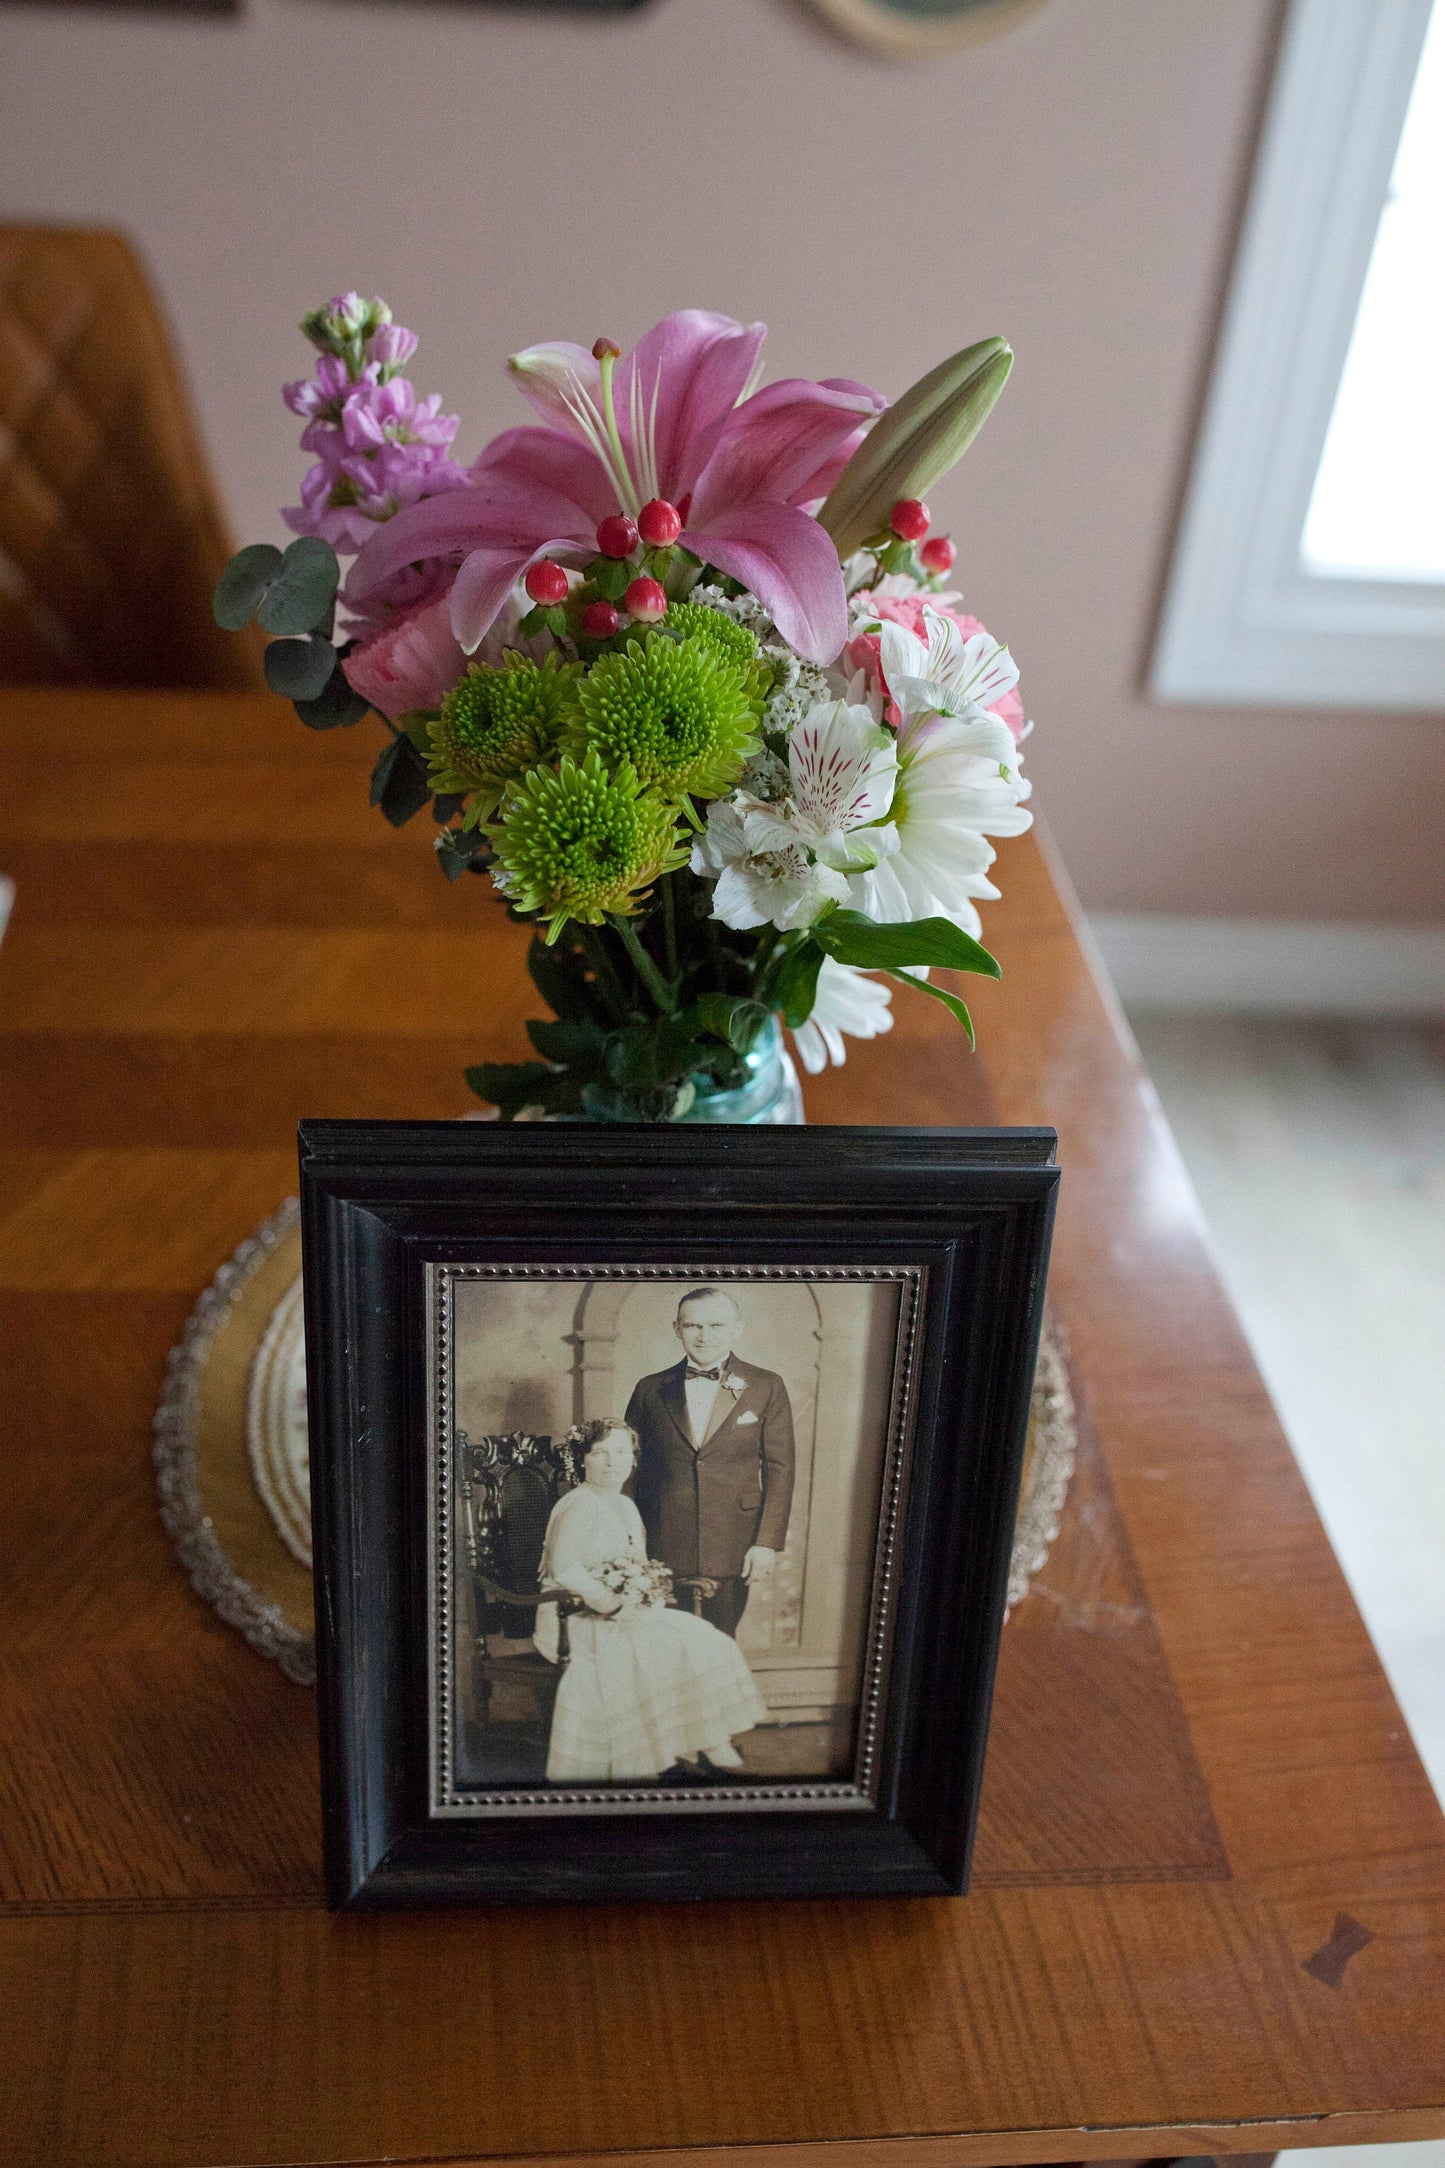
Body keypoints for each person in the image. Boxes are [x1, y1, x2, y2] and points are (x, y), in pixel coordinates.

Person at [534, 1418, 766, 1784]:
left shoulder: (625, 1506)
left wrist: (644, 1591)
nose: (612, 1462)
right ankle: (638, 1758)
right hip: (573, 1615)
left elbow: (636, 1565)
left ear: (634, 1459)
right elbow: (565, 1571)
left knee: (702, 1638)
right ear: (582, 1460)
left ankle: (705, 1738)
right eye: (600, 1453)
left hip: (619, 1610)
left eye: (622, 1452)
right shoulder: (577, 1504)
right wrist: (610, 1602)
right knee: (650, 1649)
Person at [626, 1286, 795, 1638]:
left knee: (720, 1645)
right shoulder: (649, 1388)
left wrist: (766, 1543)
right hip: (662, 1540)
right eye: (693, 1326)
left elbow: (781, 1469)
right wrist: (628, 1538)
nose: (704, 1337)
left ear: (737, 1328)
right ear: (677, 1329)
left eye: (716, 1326)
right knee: (663, 1643)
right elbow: (631, 1466)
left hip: (735, 1541)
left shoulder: (766, 1385)